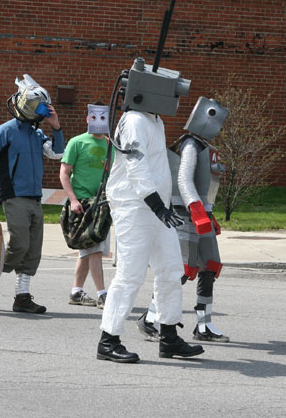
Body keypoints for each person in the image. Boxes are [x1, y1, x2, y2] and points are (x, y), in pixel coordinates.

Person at [97, 87, 204, 363]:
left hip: (158, 210)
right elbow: (136, 166)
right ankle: (108, 340)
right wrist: (157, 205)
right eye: (172, 95)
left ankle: (168, 337)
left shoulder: (155, 121)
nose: (176, 102)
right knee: (130, 275)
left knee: (171, 270)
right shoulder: (134, 120)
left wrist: (162, 206)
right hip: (134, 207)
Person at [137, 97, 231, 343]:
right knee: (182, 269)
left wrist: (206, 212)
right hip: (187, 213)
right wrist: (196, 209)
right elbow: (183, 179)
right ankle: (151, 317)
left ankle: (204, 324)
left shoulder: (201, 145)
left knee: (210, 265)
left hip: (201, 212)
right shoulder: (190, 144)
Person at [0, 74, 65, 313]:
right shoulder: (6, 130)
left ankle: (22, 297)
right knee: (19, 244)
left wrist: (56, 127)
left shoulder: (37, 134)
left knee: (33, 251)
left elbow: (57, 154)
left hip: (35, 199)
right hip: (14, 196)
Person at [60, 102, 112, 309]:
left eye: (102, 118)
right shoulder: (77, 142)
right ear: (87, 119)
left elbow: (112, 173)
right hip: (82, 204)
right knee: (95, 250)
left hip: (101, 205)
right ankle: (103, 295)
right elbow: (64, 173)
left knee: (86, 250)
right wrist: (73, 199)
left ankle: (76, 292)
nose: (98, 121)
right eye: (94, 117)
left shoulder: (109, 145)